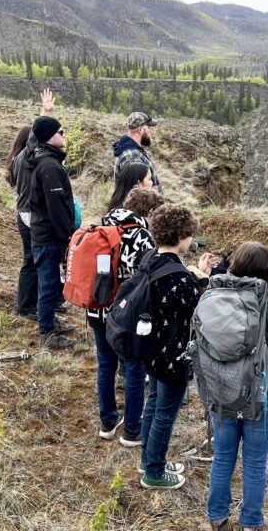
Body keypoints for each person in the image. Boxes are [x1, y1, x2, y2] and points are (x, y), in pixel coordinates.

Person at [205, 242, 268, 531]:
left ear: (234, 266)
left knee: (222, 457)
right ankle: (251, 522)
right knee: (255, 462)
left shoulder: (212, 300)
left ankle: (217, 517)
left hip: (222, 393)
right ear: (267, 274)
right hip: (261, 397)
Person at [139, 204, 214, 490]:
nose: (191, 240)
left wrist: (197, 274)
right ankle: (154, 472)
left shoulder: (151, 259)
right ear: (181, 236)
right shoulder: (178, 276)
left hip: (152, 348)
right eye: (190, 235)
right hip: (173, 355)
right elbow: (197, 308)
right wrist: (203, 280)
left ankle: (148, 459)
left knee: (153, 405)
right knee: (165, 413)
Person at [88, 187, 165, 445]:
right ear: (149, 211)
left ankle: (107, 422)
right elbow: (150, 276)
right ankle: (132, 430)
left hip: (97, 307)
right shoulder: (141, 235)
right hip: (126, 315)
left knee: (105, 365)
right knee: (134, 367)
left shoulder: (102, 226)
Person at [8, 90, 65, 322]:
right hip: (30, 215)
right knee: (33, 260)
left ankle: (44, 301)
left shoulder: (22, 159)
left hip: (27, 213)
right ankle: (27, 305)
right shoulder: (26, 157)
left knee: (34, 259)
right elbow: (39, 131)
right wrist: (46, 112)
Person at [26, 114, 78, 350]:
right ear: (49, 136)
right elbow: (56, 207)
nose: (64, 135)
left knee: (51, 283)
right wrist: (67, 238)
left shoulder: (47, 161)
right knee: (48, 285)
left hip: (45, 234)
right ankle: (47, 333)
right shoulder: (49, 166)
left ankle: (49, 323)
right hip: (48, 237)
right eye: (61, 132)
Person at [112, 112, 161, 192]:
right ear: (140, 130)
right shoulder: (132, 156)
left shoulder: (133, 151)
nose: (151, 131)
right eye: (149, 127)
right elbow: (136, 194)